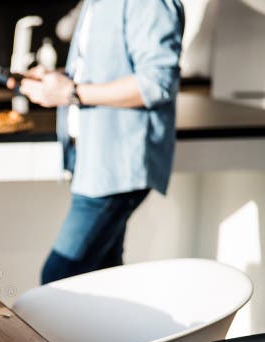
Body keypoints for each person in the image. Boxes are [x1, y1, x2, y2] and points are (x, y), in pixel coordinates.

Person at [15, 0, 185, 284]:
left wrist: (71, 92)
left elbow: (156, 84)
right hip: (93, 160)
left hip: (117, 165)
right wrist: (57, 80)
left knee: (59, 280)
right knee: (105, 277)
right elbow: (102, 71)